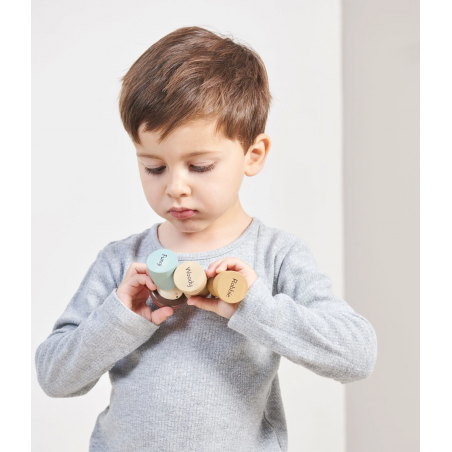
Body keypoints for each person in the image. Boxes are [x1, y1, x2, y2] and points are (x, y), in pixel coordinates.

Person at [35, 26, 377, 452]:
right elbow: (54, 376)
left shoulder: (276, 255)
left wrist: (253, 306)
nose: (175, 186)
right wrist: (121, 316)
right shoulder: (122, 260)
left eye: (199, 166)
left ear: (253, 155)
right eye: (154, 168)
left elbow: (357, 355)